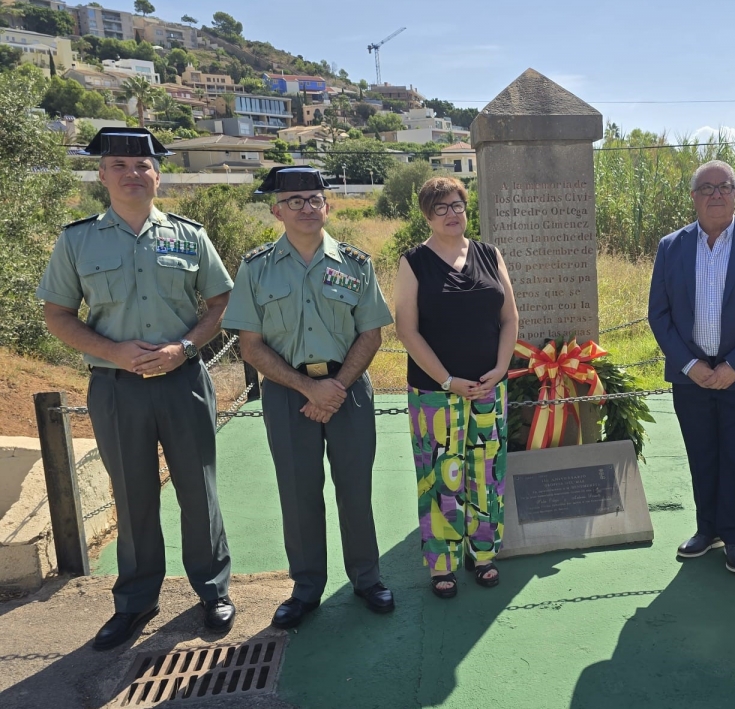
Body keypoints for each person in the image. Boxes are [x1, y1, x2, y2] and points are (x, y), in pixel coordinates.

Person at [36, 129, 235, 650]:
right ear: (102, 175)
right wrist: (113, 351)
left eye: (142, 165)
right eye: (119, 165)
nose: (132, 174)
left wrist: (185, 348)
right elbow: (57, 315)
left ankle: (212, 590)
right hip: (116, 386)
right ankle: (135, 601)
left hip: (183, 382)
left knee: (199, 489)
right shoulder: (77, 240)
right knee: (133, 494)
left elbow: (219, 304)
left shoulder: (190, 235)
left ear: (157, 174)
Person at [222, 166, 395, 628]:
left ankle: (366, 578)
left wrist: (333, 389)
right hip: (287, 394)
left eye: (314, 199)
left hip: (348, 390)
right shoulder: (255, 267)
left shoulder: (356, 264)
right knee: (299, 495)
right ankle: (306, 588)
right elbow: (250, 344)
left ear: (327, 205)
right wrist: (308, 388)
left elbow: (371, 333)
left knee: (355, 491)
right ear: (276, 209)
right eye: (294, 201)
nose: (306, 208)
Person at [648, 160, 735, 574]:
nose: (716, 195)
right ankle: (706, 529)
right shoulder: (671, 246)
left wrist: (734, 366)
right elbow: (660, 314)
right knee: (702, 454)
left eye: (724, 187)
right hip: (691, 376)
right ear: (693, 197)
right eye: (706, 188)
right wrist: (689, 365)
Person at [394, 176, 518, 599]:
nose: (451, 214)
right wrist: (447, 379)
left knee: (486, 473)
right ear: (427, 215)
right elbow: (406, 330)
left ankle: (482, 553)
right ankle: (442, 564)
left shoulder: (490, 254)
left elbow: (509, 319)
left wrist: (501, 368)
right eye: (440, 207)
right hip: (435, 393)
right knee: (440, 476)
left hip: (487, 389)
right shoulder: (413, 262)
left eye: (457, 205)